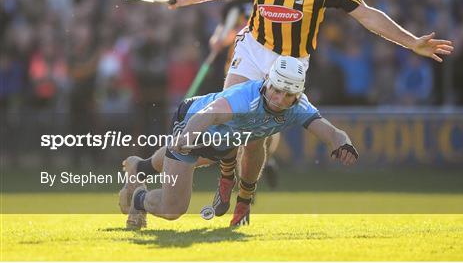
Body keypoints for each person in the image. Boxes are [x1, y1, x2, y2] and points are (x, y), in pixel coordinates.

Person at [165, 0, 454, 222]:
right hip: (253, 49)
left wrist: (411, 43)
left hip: (290, 62)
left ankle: (244, 199)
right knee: (229, 116)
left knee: (256, 136)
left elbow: (367, 15)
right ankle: (226, 178)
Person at [121, 56, 359, 229]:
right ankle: (139, 197)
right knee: (173, 209)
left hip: (226, 140)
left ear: (298, 95)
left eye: (289, 95)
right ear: (267, 81)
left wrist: (343, 143)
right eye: (276, 90)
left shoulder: (298, 107)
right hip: (195, 121)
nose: (280, 99)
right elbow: (211, 113)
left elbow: (330, 131)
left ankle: (139, 174)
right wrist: (187, 137)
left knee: (207, 156)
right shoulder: (245, 97)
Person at [208, 0, 281, 189]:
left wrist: (220, 39)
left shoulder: (256, 1)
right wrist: (219, 39)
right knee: (255, 120)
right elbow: (222, 33)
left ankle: (257, 164)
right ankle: (253, 166)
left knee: (255, 120)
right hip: (249, 68)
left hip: (254, 67)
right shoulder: (242, 3)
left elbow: (222, 36)